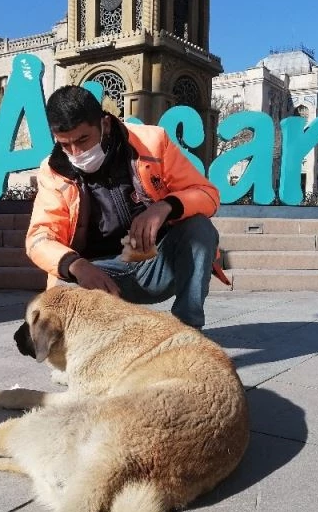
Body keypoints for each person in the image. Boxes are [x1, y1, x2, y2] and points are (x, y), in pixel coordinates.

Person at [26, 85, 227, 329]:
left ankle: (189, 330)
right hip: (98, 274)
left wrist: (165, 207)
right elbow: (39, 238)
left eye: (83, 140)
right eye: (65, 145)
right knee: (62, 288)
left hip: (158, 265)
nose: (76, 153)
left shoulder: (153, 142)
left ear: (105, 124)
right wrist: (76, 265)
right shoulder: (52, 170)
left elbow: (207, 194)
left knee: (200, 228)